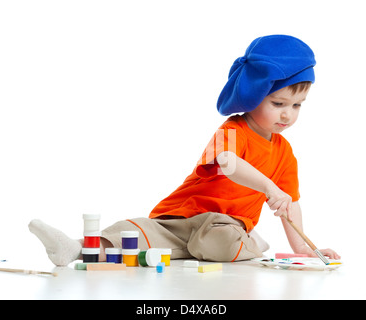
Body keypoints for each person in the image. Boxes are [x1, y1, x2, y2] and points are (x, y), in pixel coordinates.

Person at [29, 35, 340, 266]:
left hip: (224, 224)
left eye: (297, 105)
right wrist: (269, 187)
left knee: (220, 240)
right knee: (130, 232)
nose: (288, 115)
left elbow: (291, 206)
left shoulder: (284, 153)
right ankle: (73, 248)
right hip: (182, 215)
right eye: (278, 104)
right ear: (254, 95)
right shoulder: (233, 130)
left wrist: (303, 249)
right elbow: (229, 164)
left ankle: (242, 242)